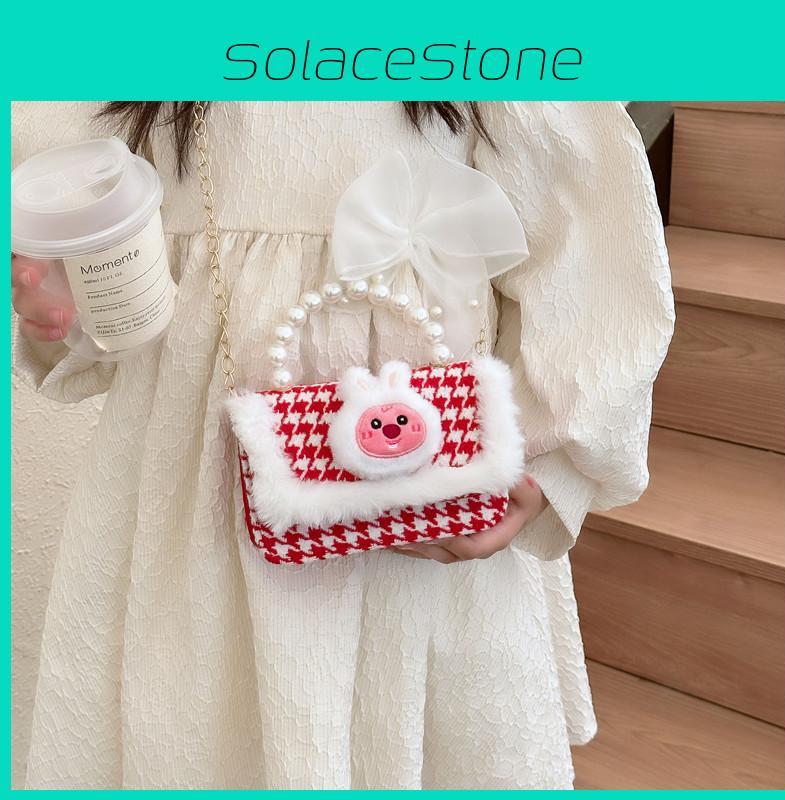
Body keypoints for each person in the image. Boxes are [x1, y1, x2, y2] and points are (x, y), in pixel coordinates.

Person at [11, 101, 674, 789]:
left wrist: (543, 466)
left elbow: (594, 263)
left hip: (427, 519)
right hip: (193, 520)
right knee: (204, 734)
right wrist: (62, 302)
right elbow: (100, 299)